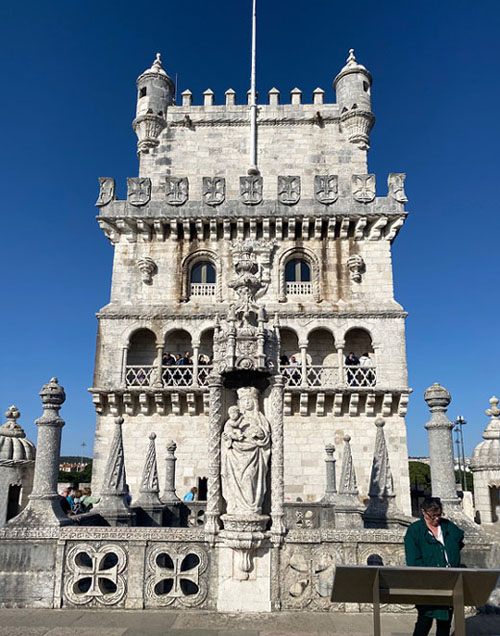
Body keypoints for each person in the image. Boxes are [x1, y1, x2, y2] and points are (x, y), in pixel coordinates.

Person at [404, 497, 464, 636]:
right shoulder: (415, 531)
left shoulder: (447, 526)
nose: (436, 519)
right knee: (425, 620)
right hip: (427, 583)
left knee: (445, 622)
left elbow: (458, 539)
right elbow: (413, 560)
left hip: (448, 581)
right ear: (424, 512)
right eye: (433, 516)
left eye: (439, 515)